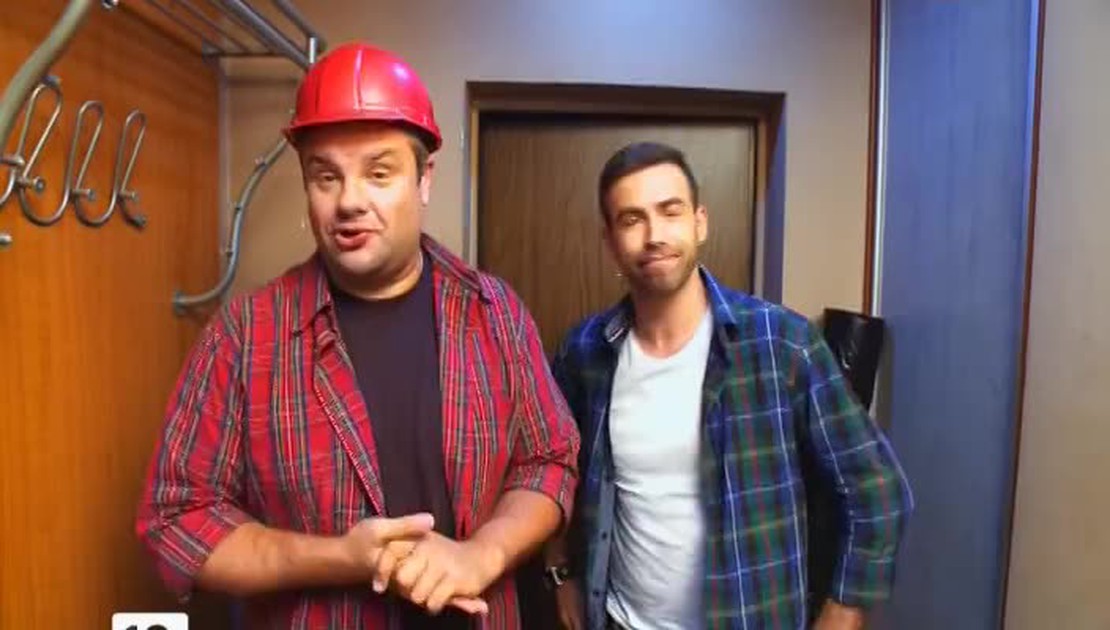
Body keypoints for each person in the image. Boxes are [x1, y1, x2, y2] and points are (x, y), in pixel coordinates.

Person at [135, 42, 580, 629]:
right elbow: (176, 519)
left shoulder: (494, 313)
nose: (349, 201)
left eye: (379, 173)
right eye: (326, 176)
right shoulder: (243, 337)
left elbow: (549, 459)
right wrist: (340, 558)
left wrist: (484, 553)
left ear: (423, 179)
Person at [543, 142, 913, 630]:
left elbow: (876, 488)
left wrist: (842, 614)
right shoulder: (586, 352)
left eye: (670, 211)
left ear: (699, 223)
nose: (655, 235)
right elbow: (552, 468)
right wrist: (561, 570)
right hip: (619, 620)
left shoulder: (783, 344)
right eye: (632, 220)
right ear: (610, 241)